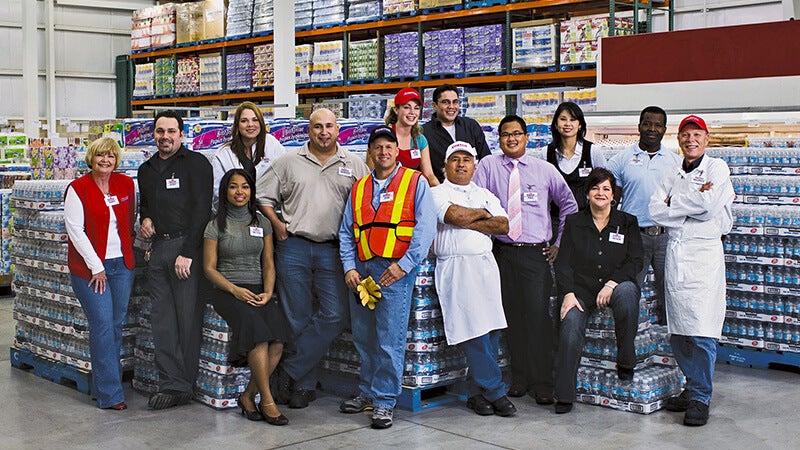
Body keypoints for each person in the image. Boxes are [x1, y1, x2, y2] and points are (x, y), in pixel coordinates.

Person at [257, 108, 370, 409]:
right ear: (309, 130)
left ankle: (289, 369)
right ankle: (303, 386)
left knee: (335, 315)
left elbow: (368, 203)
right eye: (317, 126)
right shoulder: (288, 162)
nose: (323, 132)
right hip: (293, 247)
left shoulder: (354, 164)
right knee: (297, 318)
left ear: (338, 130)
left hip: (334, 250)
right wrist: (277, 224)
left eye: (329, 126)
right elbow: (262, 196)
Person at [473, 115, 578, 404]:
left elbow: (569, 204)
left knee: (537, 318)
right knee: (510, 318)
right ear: (499, 138)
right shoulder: (487, 166)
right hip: (502, 253)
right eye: (506, 135)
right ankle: (518, 378)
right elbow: (474, 200)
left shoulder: (544, 170)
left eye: (517, 134)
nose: (511, 139)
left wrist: (558, 243)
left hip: (536, 254)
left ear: (526, 137)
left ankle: (542, 382)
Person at [338, 125, 436, 429]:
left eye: (389, 147)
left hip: (394, 271)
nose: (383, 152)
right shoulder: (359, 187)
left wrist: (404, 265)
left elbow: (425, 227)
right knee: (364, 336)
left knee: (388, 339)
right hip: (363, 270)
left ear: (397, 151)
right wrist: (348, 267)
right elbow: (345, 232)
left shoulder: (414, 181)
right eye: (378, 147)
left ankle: (383, 401)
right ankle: (367, 392)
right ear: (370, 153)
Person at [649, 114, 734, 427]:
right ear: (679, 139)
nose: (691, 140)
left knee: (701, 331)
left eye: (697, 135)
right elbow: (655, 209)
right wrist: (689, 203)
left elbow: (709, 208)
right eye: (685, 135)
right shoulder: (672, 171)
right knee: (679, 332)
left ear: (707, 138)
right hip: (676, 256)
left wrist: (676, 204)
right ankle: (690, 384)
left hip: (704, 257)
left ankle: (700, 396)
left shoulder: (717, 168)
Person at [431, 141, 516, 417]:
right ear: (446, 165)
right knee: (472, 331)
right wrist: (481, 214)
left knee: (491, 330)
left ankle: (477, 394)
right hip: (456, 268)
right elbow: (452, 214)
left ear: (475, 164)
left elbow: (503, 225)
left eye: (466, 159)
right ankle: (496, 391)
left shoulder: (484, 192)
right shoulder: (436, 193)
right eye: (455, 159)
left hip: (485, 267)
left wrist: (467, 218)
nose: (461, 164)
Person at [138, 110, 213, 409]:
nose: (165, 137)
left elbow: (202, 211)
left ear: (182, 134)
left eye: (171, 131)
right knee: (163, 321)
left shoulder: (196, 164)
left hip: (186, 249)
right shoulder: (146, 169)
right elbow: (145, 203)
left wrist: (189, 252)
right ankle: (170, 381)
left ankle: (185, 384)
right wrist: (145, 218)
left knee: (187, 319)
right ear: (154, 134)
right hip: (158, 249)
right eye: (160, 131)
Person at [203, 169, 290, 425]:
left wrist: (268, 292)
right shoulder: (214, 225)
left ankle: (248, 395)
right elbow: (209, 269)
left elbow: (269, 263)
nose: (239, 192)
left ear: (251, 191)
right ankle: (267, 400)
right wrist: (234, 289)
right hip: (227, 290)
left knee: (278, 340)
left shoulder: (261, 222)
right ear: (225, 191)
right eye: (233, 187)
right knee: (259, 335)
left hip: (258, 290)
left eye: (244, 187)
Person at [553, 168, 643, 414]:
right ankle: (564, 394)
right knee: (570, 322)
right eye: (595, 188)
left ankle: (626, 361)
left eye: (606, 189)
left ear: (613, 195)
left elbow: (635, 261)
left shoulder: (627, 222)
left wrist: (612, 283)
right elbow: (563, 263)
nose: (600, 193)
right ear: (587, 193)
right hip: (581, 289)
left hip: (615, 285)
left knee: (626, 294)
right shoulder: (574, 222)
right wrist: (568, 293)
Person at [65, 137, 136, 411]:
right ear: (91, 158)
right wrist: (97, 267)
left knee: (115, 326)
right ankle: (110, 394)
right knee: (103, 326)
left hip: (122, 266)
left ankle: (102, 386)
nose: (105, 161)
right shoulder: (77, 188)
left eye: (110, 156)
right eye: (100, 156)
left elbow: (129, 220)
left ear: (116, 160)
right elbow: (76, 232)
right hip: (90, 270)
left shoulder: (126, 184)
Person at [606, 106, 682, 325]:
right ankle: (631, 336)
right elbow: (613, 201)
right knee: (629, 288)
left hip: (666, 236)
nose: (652, 129)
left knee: (670, 290)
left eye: (658, 125)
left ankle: (671, 339)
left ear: (664, 130)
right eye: (647, 123)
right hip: (633, 237)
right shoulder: (622, 159)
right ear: (639, 126)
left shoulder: (675, 161)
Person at [211, 101, 287, 213]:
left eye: (255, 120)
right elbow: (217, 191)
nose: (250, 124)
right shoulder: (223, 154)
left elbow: (286, 173)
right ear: (237, 125)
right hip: (234, 213)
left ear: (261, 122)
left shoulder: (272, 144)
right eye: (244, 121)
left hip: (268, 210)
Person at [422, 84, 491, 183]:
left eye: (455, 102)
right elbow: (427, 173)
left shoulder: (471, 126)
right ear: (434, 105)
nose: (451, 107)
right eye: (445, 102)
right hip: (442, 190)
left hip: (474, 189)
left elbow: (485, 160)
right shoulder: (424, 133)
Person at [544, 101, 606, 211]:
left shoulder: (592, 151)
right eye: (563, 119)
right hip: (556, 219)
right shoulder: (546, 153)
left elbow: (605, 184)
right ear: (555, 124)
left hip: (586, 218)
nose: (568, 124)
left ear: (580, 124)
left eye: (573, 120)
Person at [374, 87, 439, 186]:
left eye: (416, 108)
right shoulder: (383, 136)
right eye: (406, 107)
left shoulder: (419, 139)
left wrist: (442, 194)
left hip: (411, 191)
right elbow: (371, 173)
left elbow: (429, 175)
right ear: (396, 110)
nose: (412, 112)